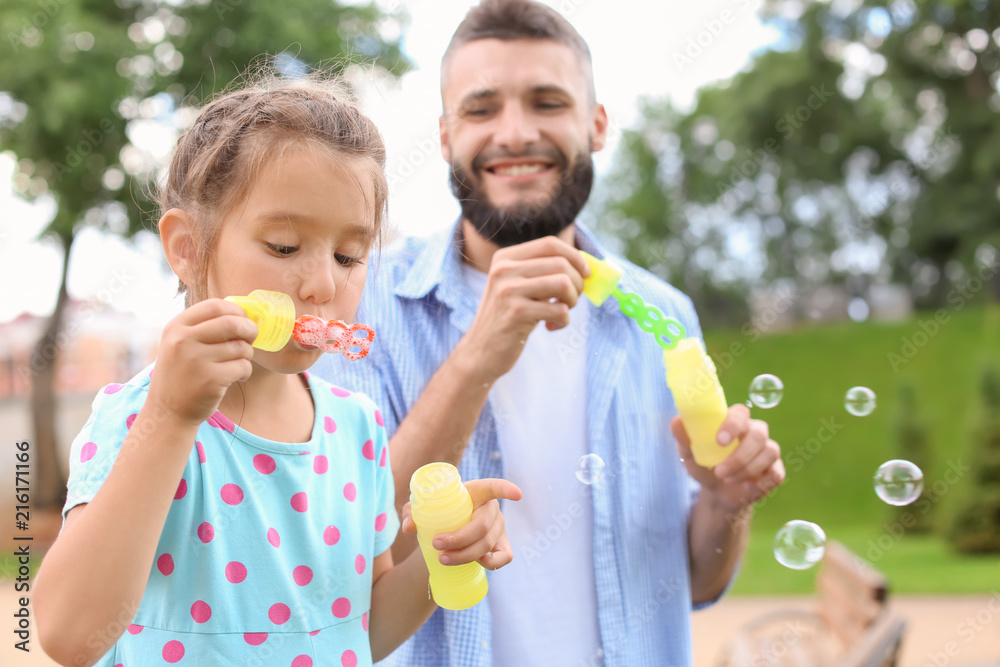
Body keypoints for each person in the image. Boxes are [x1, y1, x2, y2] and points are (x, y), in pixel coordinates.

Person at [312, 1, 786, 666]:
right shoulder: (362, 303)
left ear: (595, 124)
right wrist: (480, 354)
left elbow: (697, 582)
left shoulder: (663, 315)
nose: (514, 133)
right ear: (446, 137)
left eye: (546, 101)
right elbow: (341, 543)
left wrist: (725, 500)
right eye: (481, 109)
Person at [32, 72, 521, 667]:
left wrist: (442, 559)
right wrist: (171, 417)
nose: (321, 285)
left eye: (349, 256)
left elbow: (357, 632)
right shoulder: (139, 416)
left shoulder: (357, 431)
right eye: (285, 247)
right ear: (188, 248)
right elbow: (67, 634)